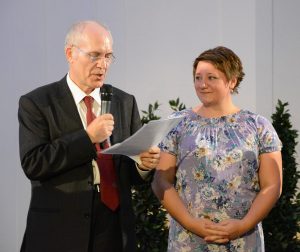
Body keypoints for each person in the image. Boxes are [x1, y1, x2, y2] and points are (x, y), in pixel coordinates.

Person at [18, 20, 160, 252]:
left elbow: (128, 174)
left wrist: (143, 166)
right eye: (94, 55)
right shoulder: (37, 103)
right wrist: (87, 138)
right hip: (60, 227)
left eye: (108, 56)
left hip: (114, 226)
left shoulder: (124, 101)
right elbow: (34, 163)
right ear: (70, 53)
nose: (102, 64)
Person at [151, 46, 282, 251]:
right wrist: (192, 223)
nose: (202, 84)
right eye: (198, 77)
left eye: (211, 77)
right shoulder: (176, 124)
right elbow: (161, 181)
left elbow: (272, 186)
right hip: (188, 241)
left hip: (244, 241)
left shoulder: (258, 126)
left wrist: (243, 225)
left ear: (232, 81)